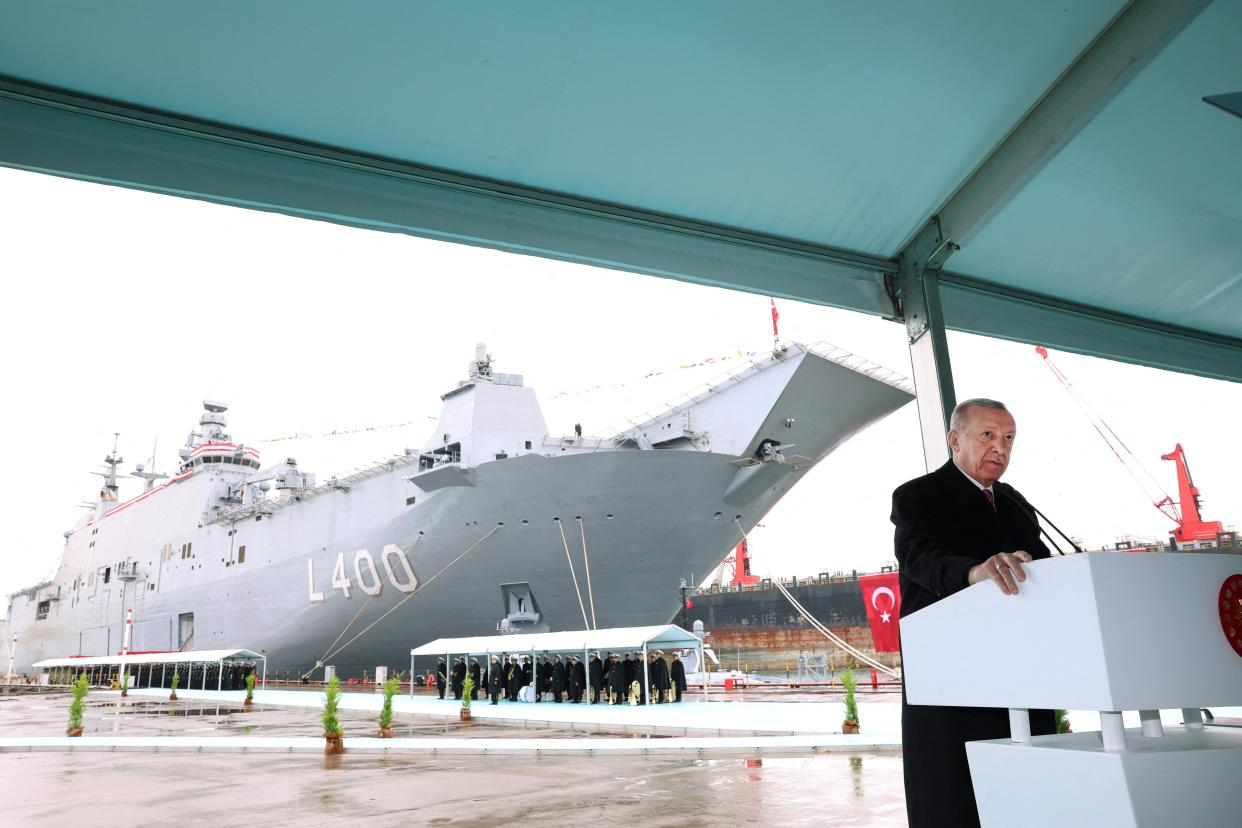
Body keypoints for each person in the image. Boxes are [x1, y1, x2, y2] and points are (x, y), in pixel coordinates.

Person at [892, 398, 1056, 828]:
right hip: (951, 674)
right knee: (953, 798)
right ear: (954, 440)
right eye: (987, 435)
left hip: (1023, 670)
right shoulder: (917, 496)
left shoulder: (1016, 503)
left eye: (1009, 438)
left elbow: (1045, 567)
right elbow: (919, 559)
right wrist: (973, 573)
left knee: (1027, 795)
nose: (1000, 447)